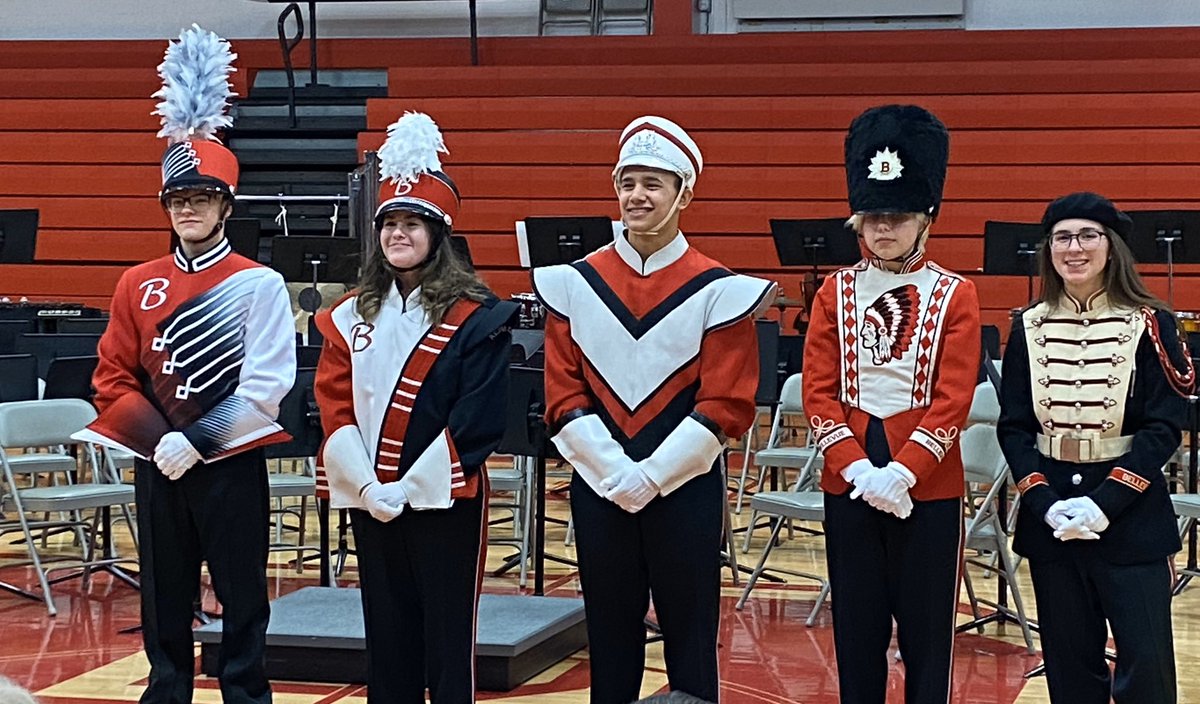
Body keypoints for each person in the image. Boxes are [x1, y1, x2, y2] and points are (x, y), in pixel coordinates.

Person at [80, 26, 296, 704]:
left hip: (230, 462)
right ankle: (166, 693)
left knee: (242, 596)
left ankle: (245, 696)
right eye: (178, 200)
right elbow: (111, 378)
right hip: (157, 463)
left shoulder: (258, 282)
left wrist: (197, 440)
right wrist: (160, 442)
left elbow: (268, 386)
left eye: (201, 199)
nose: (188, 209)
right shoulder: (134, 281)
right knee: (163, 596)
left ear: (225, 206)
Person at [533, 116, 774, 703]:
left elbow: (725, 401)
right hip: (600, 486)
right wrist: (616, 472)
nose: (637, 196)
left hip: (686, 489)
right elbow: (563, 392)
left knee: (691, 638)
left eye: (653, 184)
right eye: (628, 183)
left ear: (683, 195)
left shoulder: (719, 289)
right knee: (609, 637)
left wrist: (654, 476)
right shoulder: (574, 284)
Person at [313, 111, 517, 704]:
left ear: (438, 236)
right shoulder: (349, 314)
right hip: (372, 498)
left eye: (413, 223)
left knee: (448, 639)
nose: (398, 234)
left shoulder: (478, 316)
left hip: (444, 498)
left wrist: (410, 486)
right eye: (390, 223)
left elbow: (479, 418)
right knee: (387, 634)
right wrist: (368, 486)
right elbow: (333, 402)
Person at [801, 105, 980, 704]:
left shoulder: (956, 293)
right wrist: (856, 468)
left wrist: (904, 472)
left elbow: (954, 396)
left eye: (897, 217)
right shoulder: (834, 290)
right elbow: (818, 389)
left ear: (926, 219)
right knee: (857, 629)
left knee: (929, 634)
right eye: (873, 217)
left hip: (928, 484)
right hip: (848, 479)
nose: (883, 229)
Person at [997, 192, 1195, 704]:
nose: (1074, 248)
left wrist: (1104, 503)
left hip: (1131, 520)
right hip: (1052, 522)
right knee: (1069, 670)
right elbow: (1014, 427)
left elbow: (1163, 427)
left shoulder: (1151, 323)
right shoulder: (1027, 325)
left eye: (1088, 235)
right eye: (1062, 237)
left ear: (1112, 247)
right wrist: (1044, 502)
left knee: (1147, 669)